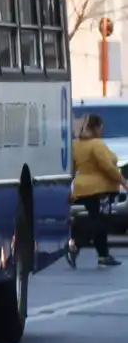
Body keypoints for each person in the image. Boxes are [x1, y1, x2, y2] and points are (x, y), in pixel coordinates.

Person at [69, 112, 123, 268]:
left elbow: (72, 169)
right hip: (100, 189)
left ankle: (103, 255)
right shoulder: (97, 145)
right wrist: (122, 182)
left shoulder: (76, 144)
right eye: (100, 128)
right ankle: (76, 245)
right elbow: (107, 167)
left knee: (97, 220)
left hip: (82, 188)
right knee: (100, 223)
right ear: (96, 128)